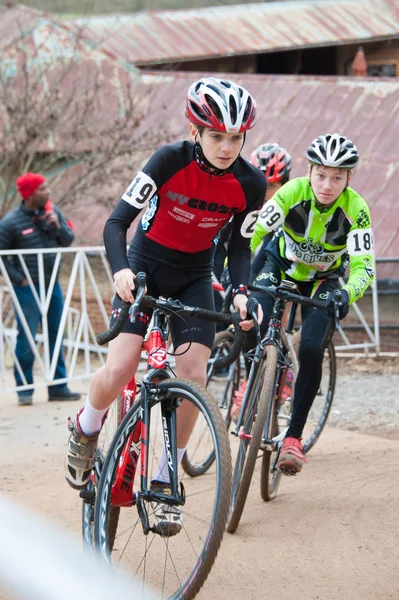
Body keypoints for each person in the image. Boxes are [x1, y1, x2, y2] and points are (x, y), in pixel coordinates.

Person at [65, 77, 266, 535]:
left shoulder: (250, 183)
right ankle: (86, 426)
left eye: (235, 138)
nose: (226, 146)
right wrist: (119, 270)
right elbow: (117, 222)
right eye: (216, 136)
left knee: (193, 373)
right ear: (195, 132)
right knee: (120, 368)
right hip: (144, 265)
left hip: (195, 275)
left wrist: (239, 290)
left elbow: (239, 247)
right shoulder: (167, 160)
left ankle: (165, 472)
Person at [250, 133, 374, 474]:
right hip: (281, 264)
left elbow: (364, 265)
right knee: (253, 311)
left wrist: (346, 293)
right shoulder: (291, 193)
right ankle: (250, 383)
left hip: (324, 280)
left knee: (310, 349)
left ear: (350, 177)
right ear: (310, 172)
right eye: (321, 175)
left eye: (337, 177)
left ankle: (292, 438)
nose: (327, 185)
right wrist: (233, 273)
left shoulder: (357, 210)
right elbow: (256, 233)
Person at [0, 173, 81, 406]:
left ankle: (58, 386)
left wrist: (57, 224)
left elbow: (68, 239)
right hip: (27, 289)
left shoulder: (51, 212)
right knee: (27, 337)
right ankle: (24, 390)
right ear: (30, 194)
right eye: (43, 188)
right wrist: (18, 279)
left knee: (57, 334)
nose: (48, 192)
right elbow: (1, 257)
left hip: (52, 284)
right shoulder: (10, 223)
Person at [230, 142, 293, 420]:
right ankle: (254, 375)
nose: (266, 193)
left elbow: (265, 253)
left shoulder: (287, 208)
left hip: (287, 267)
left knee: (273, 314)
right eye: (263, 184)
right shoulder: (245, 196)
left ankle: (285, 371)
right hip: (258, 263)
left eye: (273, 186)